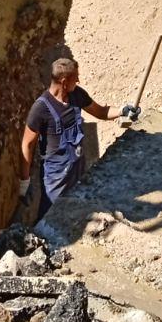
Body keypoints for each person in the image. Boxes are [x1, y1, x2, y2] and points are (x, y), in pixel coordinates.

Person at [20, 56, 138, 220]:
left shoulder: (77, 95)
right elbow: (27, 143)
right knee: (49, 217)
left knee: (74, 212)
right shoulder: (40, 108)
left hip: (77, 166)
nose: (79, 81)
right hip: (55, 175)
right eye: (75, 78)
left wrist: (123, 110)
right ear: (64, 81)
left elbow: (101, 112)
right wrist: (24, 182)